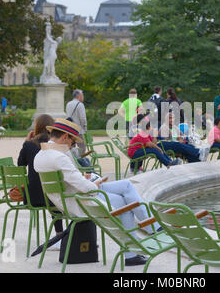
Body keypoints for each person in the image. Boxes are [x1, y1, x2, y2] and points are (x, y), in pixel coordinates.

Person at [33, 118, 162, 266]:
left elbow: (69, 180)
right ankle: (143, 238)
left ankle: (144, 237)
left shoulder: (41, 154)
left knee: (126, 188)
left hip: (71, 198)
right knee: (126, 202)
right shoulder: (59, 157)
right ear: (64, 137)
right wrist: (94, 183)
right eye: (72, 142)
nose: (73, 146)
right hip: (81, 201)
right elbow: (84, 187)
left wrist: (87, 180)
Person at [17, 114, 64, 249]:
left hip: (33, 195)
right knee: (57, 193)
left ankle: (59, 236)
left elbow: (20, 164)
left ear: (36, 127)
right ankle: (60, 234)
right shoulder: (55, 145)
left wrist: (25, 142)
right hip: (52, 195)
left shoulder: (29, 145)